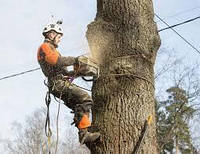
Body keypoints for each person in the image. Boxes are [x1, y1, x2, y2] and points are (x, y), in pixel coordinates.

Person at [37, 20, 100, 144]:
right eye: (58, 37)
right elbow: (57, 61)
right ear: (51, 34)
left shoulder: (54, 50)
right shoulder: (45, 47)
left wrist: (80, 71)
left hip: (59, 83)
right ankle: (83, 134)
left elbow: (65, 71)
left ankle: (84, 131)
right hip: (57, 84)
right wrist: (76, 60)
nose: (59, 40)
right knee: (85, 99)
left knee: (80, 104)